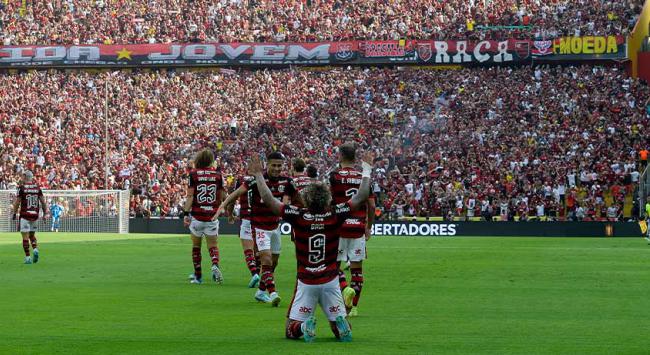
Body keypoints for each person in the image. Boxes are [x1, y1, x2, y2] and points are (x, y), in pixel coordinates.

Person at [248, 152, 373, 343]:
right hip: (331, 280)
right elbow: (362, 195)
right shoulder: (335, 214)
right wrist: (366, 168)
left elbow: (269, 200)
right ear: (327, 200)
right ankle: (341, 325)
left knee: (290, 330)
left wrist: (258, 174)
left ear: (306, 200)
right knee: (339, 329)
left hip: (307, 282)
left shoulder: (297, 215)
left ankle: (305, 326)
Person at [217, 152, 298, 306]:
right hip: (259, 226)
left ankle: (261, 291)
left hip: (275, 227)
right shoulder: (255, 180)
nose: (276, 168)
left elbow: (297, 200)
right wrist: (223, 206)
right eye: (273, 165)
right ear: (267, 164)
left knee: (273, 263)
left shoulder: (287, 182)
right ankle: (273, 293)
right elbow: (236, 193)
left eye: (279, 165)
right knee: (265, 258)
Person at [328, 142, 375, 317]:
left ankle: (343, 288)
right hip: (358, 227)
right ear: (355, 158)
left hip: (338, 227)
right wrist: (368, 226)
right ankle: (353, 307)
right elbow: (371, 204)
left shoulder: (334, 176)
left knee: (334, 266)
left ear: (340, 156)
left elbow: (329, 200)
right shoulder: (363, 177)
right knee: (357, 270)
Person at [183, 149, 226, 285]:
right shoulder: (218, 175)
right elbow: (223, 196)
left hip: (197, 216)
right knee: (213, 246)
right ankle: (215, 264)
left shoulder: (193, 174)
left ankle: (198, 276)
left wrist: (185, 213)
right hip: (212, 216)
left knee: (196, 247)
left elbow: (190, 196)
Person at [227, 176, 261, 288]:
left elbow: (233, 198)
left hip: (247, 218)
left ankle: (254, 274)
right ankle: (259, 274)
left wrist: (230, 214)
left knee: (248, 251)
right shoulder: (264, 179)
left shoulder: (241, 180)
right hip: (260, 219)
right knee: (259, 250)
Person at [12, 171, 47, 264]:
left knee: (25, 237)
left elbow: (17, 202)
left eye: (22, 176)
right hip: (35, 215)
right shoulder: (37, 188)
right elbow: (43, 202)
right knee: (32, 235)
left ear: (25, 177)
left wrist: (14, 213)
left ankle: (28, 257)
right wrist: (45, 214)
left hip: (25, 215)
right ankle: (35, 249)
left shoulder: (22, 188)